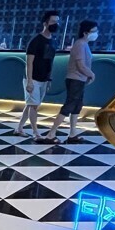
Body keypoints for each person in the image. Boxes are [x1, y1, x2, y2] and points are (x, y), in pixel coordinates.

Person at [38, 20, 98, 144]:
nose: (96, 34)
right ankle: (51, 134)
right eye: (94, 31)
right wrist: (91, 74)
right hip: (75, 79)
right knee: (69, 106)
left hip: (80, 79)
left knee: (77, 106)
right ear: (85, 33)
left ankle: (72, 133)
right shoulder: (80, 44)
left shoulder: (84, 44)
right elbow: (80, 65)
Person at [14, 10, 60, 138]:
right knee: (33, 106)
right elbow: (29, 63)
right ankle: (35, 132)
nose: (56, 24)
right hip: (33, 78)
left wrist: (49, 79)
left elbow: (50, 61)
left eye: (57, 22)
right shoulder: (36, 41)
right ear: (45, 23)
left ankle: (19, 128)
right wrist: (29, 81)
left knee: (31, 105)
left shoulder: (53, 41)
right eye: (53, 22)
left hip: (44, 78)